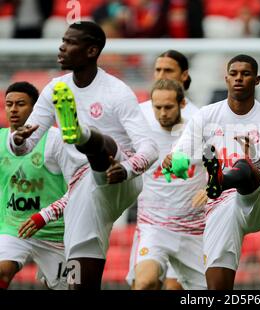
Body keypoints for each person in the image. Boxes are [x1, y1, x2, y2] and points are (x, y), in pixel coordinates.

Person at [10, 21, 158, 290]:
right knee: (81, 267)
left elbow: (150, 149)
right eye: (62, 40)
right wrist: (16, 139)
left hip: (120, 176)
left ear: (91, 51)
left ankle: (82, 134)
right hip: (82, 187)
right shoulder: (55, 89)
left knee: (103, 146)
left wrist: (126, 169)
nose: (61, 46)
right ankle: (83, 136)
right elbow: (26, 144)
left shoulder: (116, 92)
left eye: (70, 42)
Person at [164, 54, 260, 289]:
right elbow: (180, 154)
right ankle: (222, 180)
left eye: (245, 74)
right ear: (226, 79)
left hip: (258, 201)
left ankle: (223, 177)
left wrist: (259, 163)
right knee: (217, 288)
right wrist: (173, 161)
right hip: (221, 203)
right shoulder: (207, 116)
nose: (238, 79)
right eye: (233, 74)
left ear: (257, 80)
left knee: (245, 166)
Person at [126, 79, 207, 290]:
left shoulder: (198, 132)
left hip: (195, 230)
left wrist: (212, 186)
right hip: (155, 227)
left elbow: (221, 165)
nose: (162, 113)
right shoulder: (141, 133)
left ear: (182, 104)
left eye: (168, 107)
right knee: (144, 283)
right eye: (157, 107)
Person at [0, 82, 77, 290]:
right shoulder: (0, 140)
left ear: (35, 109)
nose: (13, 109)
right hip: (13, 228)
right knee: (2, 271)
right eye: (8, 104)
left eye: (20, 104)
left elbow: (78, 189)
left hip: (57, 234)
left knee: (72, 286)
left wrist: (46, 215)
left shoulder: (56, 141)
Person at [139, 49, 199, 290]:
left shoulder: (199, 120)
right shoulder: (139, 114)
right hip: (152, 222)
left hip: (191, 225)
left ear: (184, 76)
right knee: (144, 283)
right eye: (158, 70)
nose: (161, 74)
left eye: (168, 70)